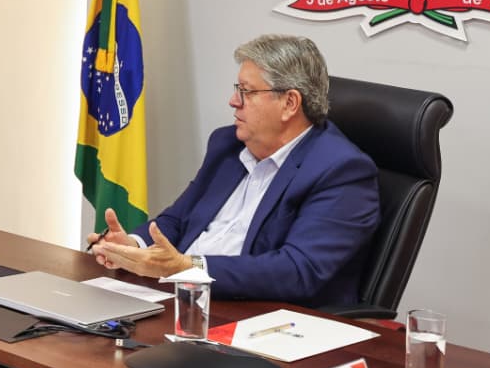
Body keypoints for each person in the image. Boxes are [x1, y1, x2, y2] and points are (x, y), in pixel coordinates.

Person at [90, 34, 379, 307]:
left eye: (247, 91)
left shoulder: (341, 171)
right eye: (237, 89)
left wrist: (188, 267)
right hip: (181, 297)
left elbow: (297, 271)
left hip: (257, 315)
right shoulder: (227, 145)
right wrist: (133, 246)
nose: (233, 101)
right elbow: (179, 220)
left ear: (290, 103)